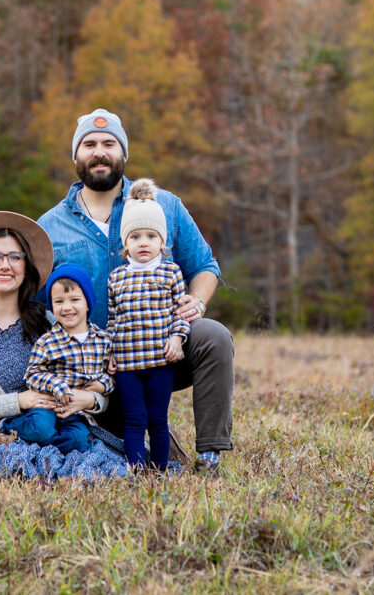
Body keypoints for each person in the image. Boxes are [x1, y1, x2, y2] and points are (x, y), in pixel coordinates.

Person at [37, 108, 234, 473]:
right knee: (131, 445)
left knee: (214, 337)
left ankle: (211, 453)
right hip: (98, 362)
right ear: (75, 156)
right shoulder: (49, 227)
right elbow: (34, 305)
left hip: (166, 347)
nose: (100, 152)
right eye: (90, 144)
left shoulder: (165, 206)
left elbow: (205, 267)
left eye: (109, 144)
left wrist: (197, 303)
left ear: (123, 154)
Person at [0, 211, 108, 477]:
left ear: (25, 268)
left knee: (94, 455)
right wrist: (19, 401)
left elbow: (94, 378)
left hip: (59, 429)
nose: (6, 265)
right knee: (8, 461)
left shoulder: (51, 322)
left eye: (15, 257)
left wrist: (92, 400)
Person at [107, 178, 191, 471]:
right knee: (134, 418)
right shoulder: (117, 278)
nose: (143, 243)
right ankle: (135, 468)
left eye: (151, 236)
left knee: (157, 418)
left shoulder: (170, 273)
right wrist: (111, 353)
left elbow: (180, 313)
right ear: (125, 243)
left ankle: (159, 469)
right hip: (129, 365)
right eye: (135, 237)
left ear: (162, 241)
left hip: (160, 361)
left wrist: (177, 339)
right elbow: (113, 320)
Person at [0, 263, 114, 454]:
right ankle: (5, 427)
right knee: (40, 427)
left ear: (88, 303)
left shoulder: (103, 341)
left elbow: (109, 375)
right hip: (47, 406)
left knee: (79, 441)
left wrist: (102, 385)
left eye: (74, 299)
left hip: (76, 412)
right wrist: (57, 385)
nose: (67, 307)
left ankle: (39, 449)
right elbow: (32, 374)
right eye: (59, 302)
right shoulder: (48, 341)